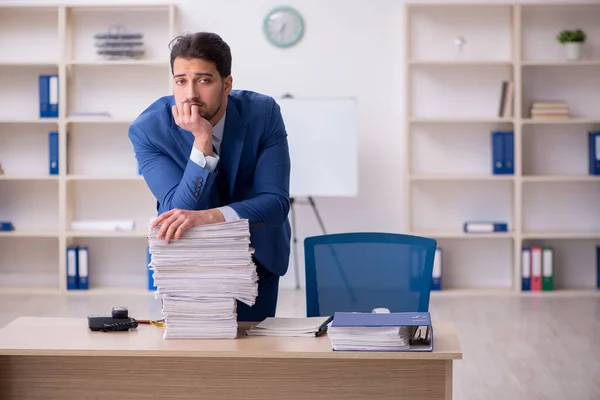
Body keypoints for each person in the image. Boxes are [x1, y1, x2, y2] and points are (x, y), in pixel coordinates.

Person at [128, 32, 292, 322]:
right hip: (189, 259)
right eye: (181, 81)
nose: (190, 93)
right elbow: (177, 211)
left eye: (203, 80)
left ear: (226, 84)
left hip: (256, 257)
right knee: (193, 357)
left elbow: (275, 204)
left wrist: (208, 217)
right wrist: (201, 140)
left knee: (253, 353)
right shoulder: (149, 129)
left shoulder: (263, 114)